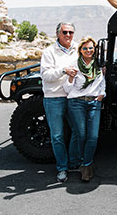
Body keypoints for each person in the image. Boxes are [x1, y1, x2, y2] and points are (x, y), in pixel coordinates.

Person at [40, 22, 80, 183]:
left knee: (78, 130)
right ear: (58, 34)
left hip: (73, 96)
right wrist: (63, 70)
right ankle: (62, 168)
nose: (68, 35)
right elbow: (46, 75)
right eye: (65, 32)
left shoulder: (78, 49)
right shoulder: (49, 52)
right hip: (53, 97)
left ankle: (73, 162)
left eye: (71, 32)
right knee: (57, 135)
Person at [63, 37, 105, 183]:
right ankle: (85, 166)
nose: (89, 51)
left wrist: (101, 95)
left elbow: (102, 82)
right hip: (77, 103)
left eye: (91, 48)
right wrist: (69, 77)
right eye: (85, 48)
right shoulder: (74, 65)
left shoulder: (98, 66)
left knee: (93, 137)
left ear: (95, 49)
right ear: (80, 50)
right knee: (81, 135)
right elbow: (67, 89)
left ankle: (86, 163)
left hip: (94, 102)